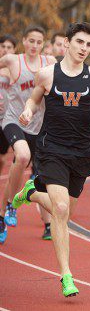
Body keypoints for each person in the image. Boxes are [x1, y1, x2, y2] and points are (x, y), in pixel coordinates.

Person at [12, 22, 90, 297]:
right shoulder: (46, 74)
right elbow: (33, 101)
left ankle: (31, 192)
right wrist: (28, 112)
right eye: (79, 42)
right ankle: (66, 275)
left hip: (83, 152)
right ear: (66, 43)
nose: (84, 48)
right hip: (52, 148)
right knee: (60, 208)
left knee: (65, 209)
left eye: (89, 44)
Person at [0, 26, 56, 242]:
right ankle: (10, 207)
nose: (34, 45)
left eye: (38, 42)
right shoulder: (13, 60)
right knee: (22, 157)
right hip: (14, 120)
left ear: (43, 44)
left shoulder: (49, 62)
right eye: (30, 41)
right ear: (24, 41)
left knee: (39, 177)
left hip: (39, 126)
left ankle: (5, 213)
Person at [0, 35, 17, 243]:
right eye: (3, 46)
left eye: (9, 47)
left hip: (6, 121)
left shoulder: (16, 71)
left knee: (3, 159)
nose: (5, 50)